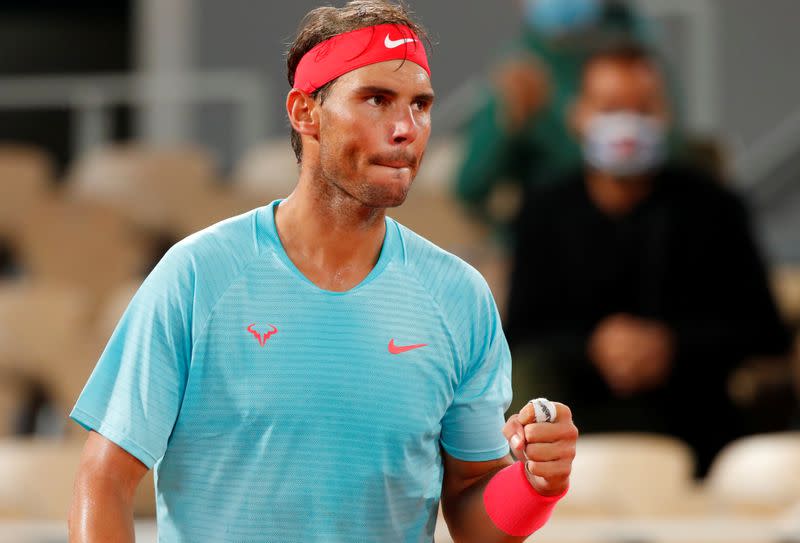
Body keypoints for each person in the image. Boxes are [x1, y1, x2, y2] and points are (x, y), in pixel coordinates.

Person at [68, 2, 578, 542]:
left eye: (421, 105)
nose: (406, 128)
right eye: (377, 100)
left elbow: (475, 517)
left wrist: (535, 485)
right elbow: (103, 481)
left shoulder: (460, 296)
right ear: (304, 111)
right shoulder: (199, 273)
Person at [504, 42, 791, 477]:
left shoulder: (715, 207)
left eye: (642, 108)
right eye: (611, 107)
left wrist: (670, 345)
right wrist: (593, 346)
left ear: (665, 116)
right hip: (574, 427)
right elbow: (522, 332)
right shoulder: (544, 211)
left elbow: (764, 330)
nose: (627, 123)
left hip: (696, 427)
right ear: (579, 116)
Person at [454, 0, 681, 241]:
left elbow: (678, 158)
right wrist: (506, 125)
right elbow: (471, 187)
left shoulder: (641, 52)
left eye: (639, 108)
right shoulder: (522, 70)